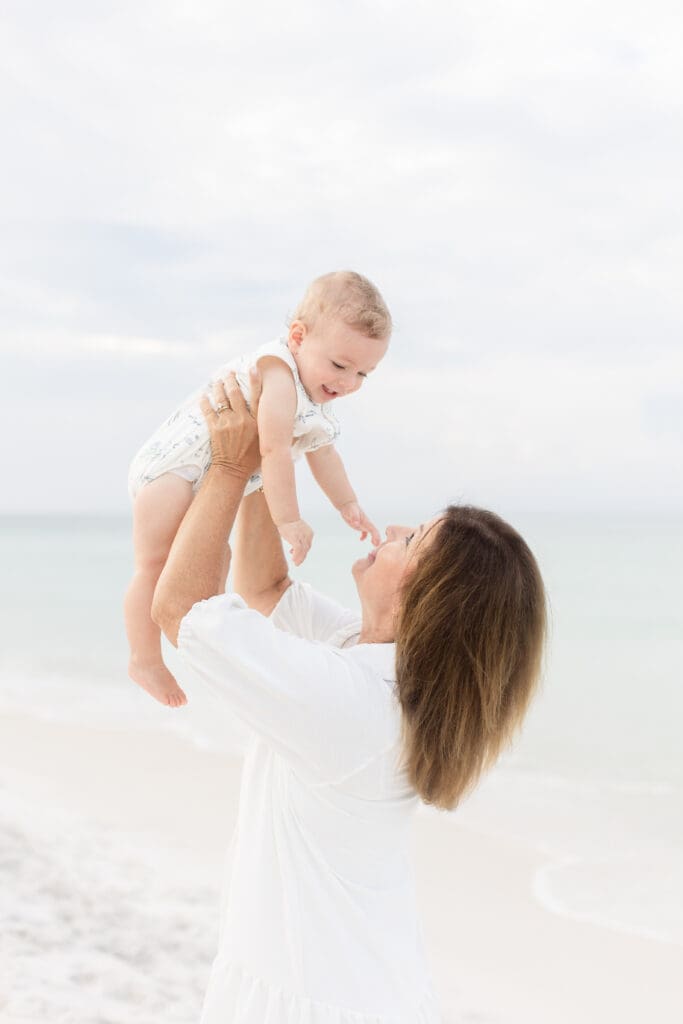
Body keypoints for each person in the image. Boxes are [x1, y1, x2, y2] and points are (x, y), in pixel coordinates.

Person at [152, 371, 548, 1024]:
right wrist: (268, 451)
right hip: (356, 986)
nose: (391, 529)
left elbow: (181, 610)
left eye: (411, 540)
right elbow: (265, 588)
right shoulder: (377, 666)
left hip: (317, 1002)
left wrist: (228, 468)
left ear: (426, 599)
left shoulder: (356, 706)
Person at [125, 270, 390, 709]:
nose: (348, 383)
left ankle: (204, 649)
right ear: (298, 337)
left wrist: (348, 503)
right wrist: (289, 520)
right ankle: (143, 658)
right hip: (172, 471)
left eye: (364, 373)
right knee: (154, 564)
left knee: (215, 559)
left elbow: (324, 453)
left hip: (203, 477)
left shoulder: (314, 396)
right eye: (340, 365)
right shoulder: (280, 373)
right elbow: (273, 450)